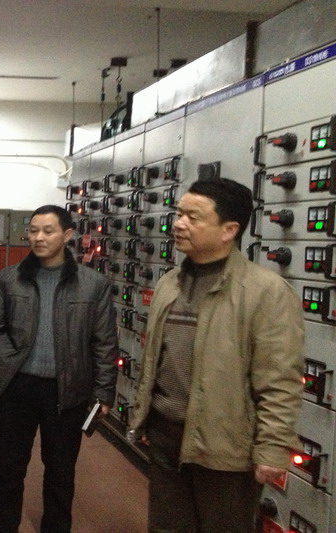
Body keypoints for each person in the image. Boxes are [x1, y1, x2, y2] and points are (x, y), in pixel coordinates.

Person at [129, 178, 304, 532]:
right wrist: (143, 417)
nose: (179, 224)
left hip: (225, 451)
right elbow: (154, 361)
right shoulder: (169, 284)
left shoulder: (266, 292)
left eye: (193, 217)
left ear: (229, 230)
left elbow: (279, 381)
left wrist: (273, 448)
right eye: (179, 214)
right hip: (165, 439)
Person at [0, 204, 118, 533]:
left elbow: (104, 342)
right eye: (33, 230)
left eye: (48, 231)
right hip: (16, 387)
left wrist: (103, 392)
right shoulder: (9, 279)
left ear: (67, 235)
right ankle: (3, 527)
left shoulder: (93, 284)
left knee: (61, 471)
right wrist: (7, 361)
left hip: (66, 390)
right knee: (7, 468)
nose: (39, 237)